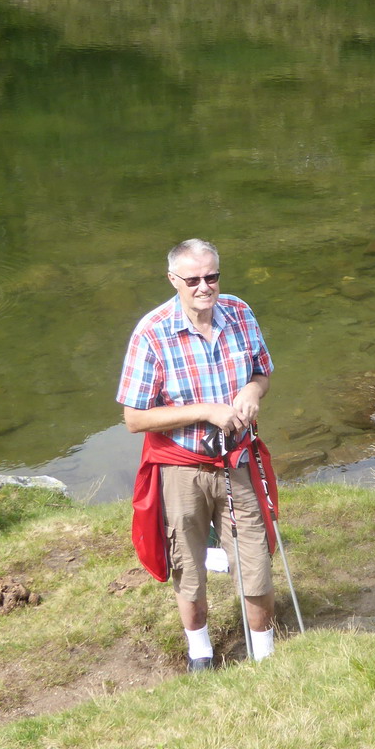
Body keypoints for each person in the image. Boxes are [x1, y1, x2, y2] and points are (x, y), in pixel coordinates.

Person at [117, 238, 278, 672]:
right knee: (187, 564)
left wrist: (251, 390)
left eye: (212, 276)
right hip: (181, 467)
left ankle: (264, 655)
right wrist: (207, 411)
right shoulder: (151, 332)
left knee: (254, 556)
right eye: (193, 280)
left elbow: (263, 371)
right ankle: (200, 653)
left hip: (237, 459)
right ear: (174, 281)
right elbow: (134, 418)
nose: (205, 287)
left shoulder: (240, 313)